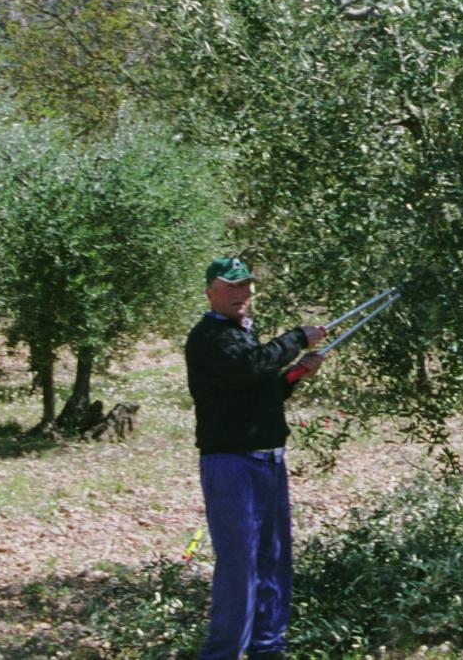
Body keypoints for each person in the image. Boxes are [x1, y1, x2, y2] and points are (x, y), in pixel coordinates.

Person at [185, 256, 327, 660]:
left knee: (274, 558)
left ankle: (268, 648)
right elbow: (251, 367)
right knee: (240, 566)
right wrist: (297, 337)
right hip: (231, 463)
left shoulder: (243, 334)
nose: (241, 294)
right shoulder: (210, 338)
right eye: (231, 287)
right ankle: (222, 653)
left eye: (245, 286)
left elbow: (260, 389)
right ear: (210, 290)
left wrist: (296, 374)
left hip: (268, 460)